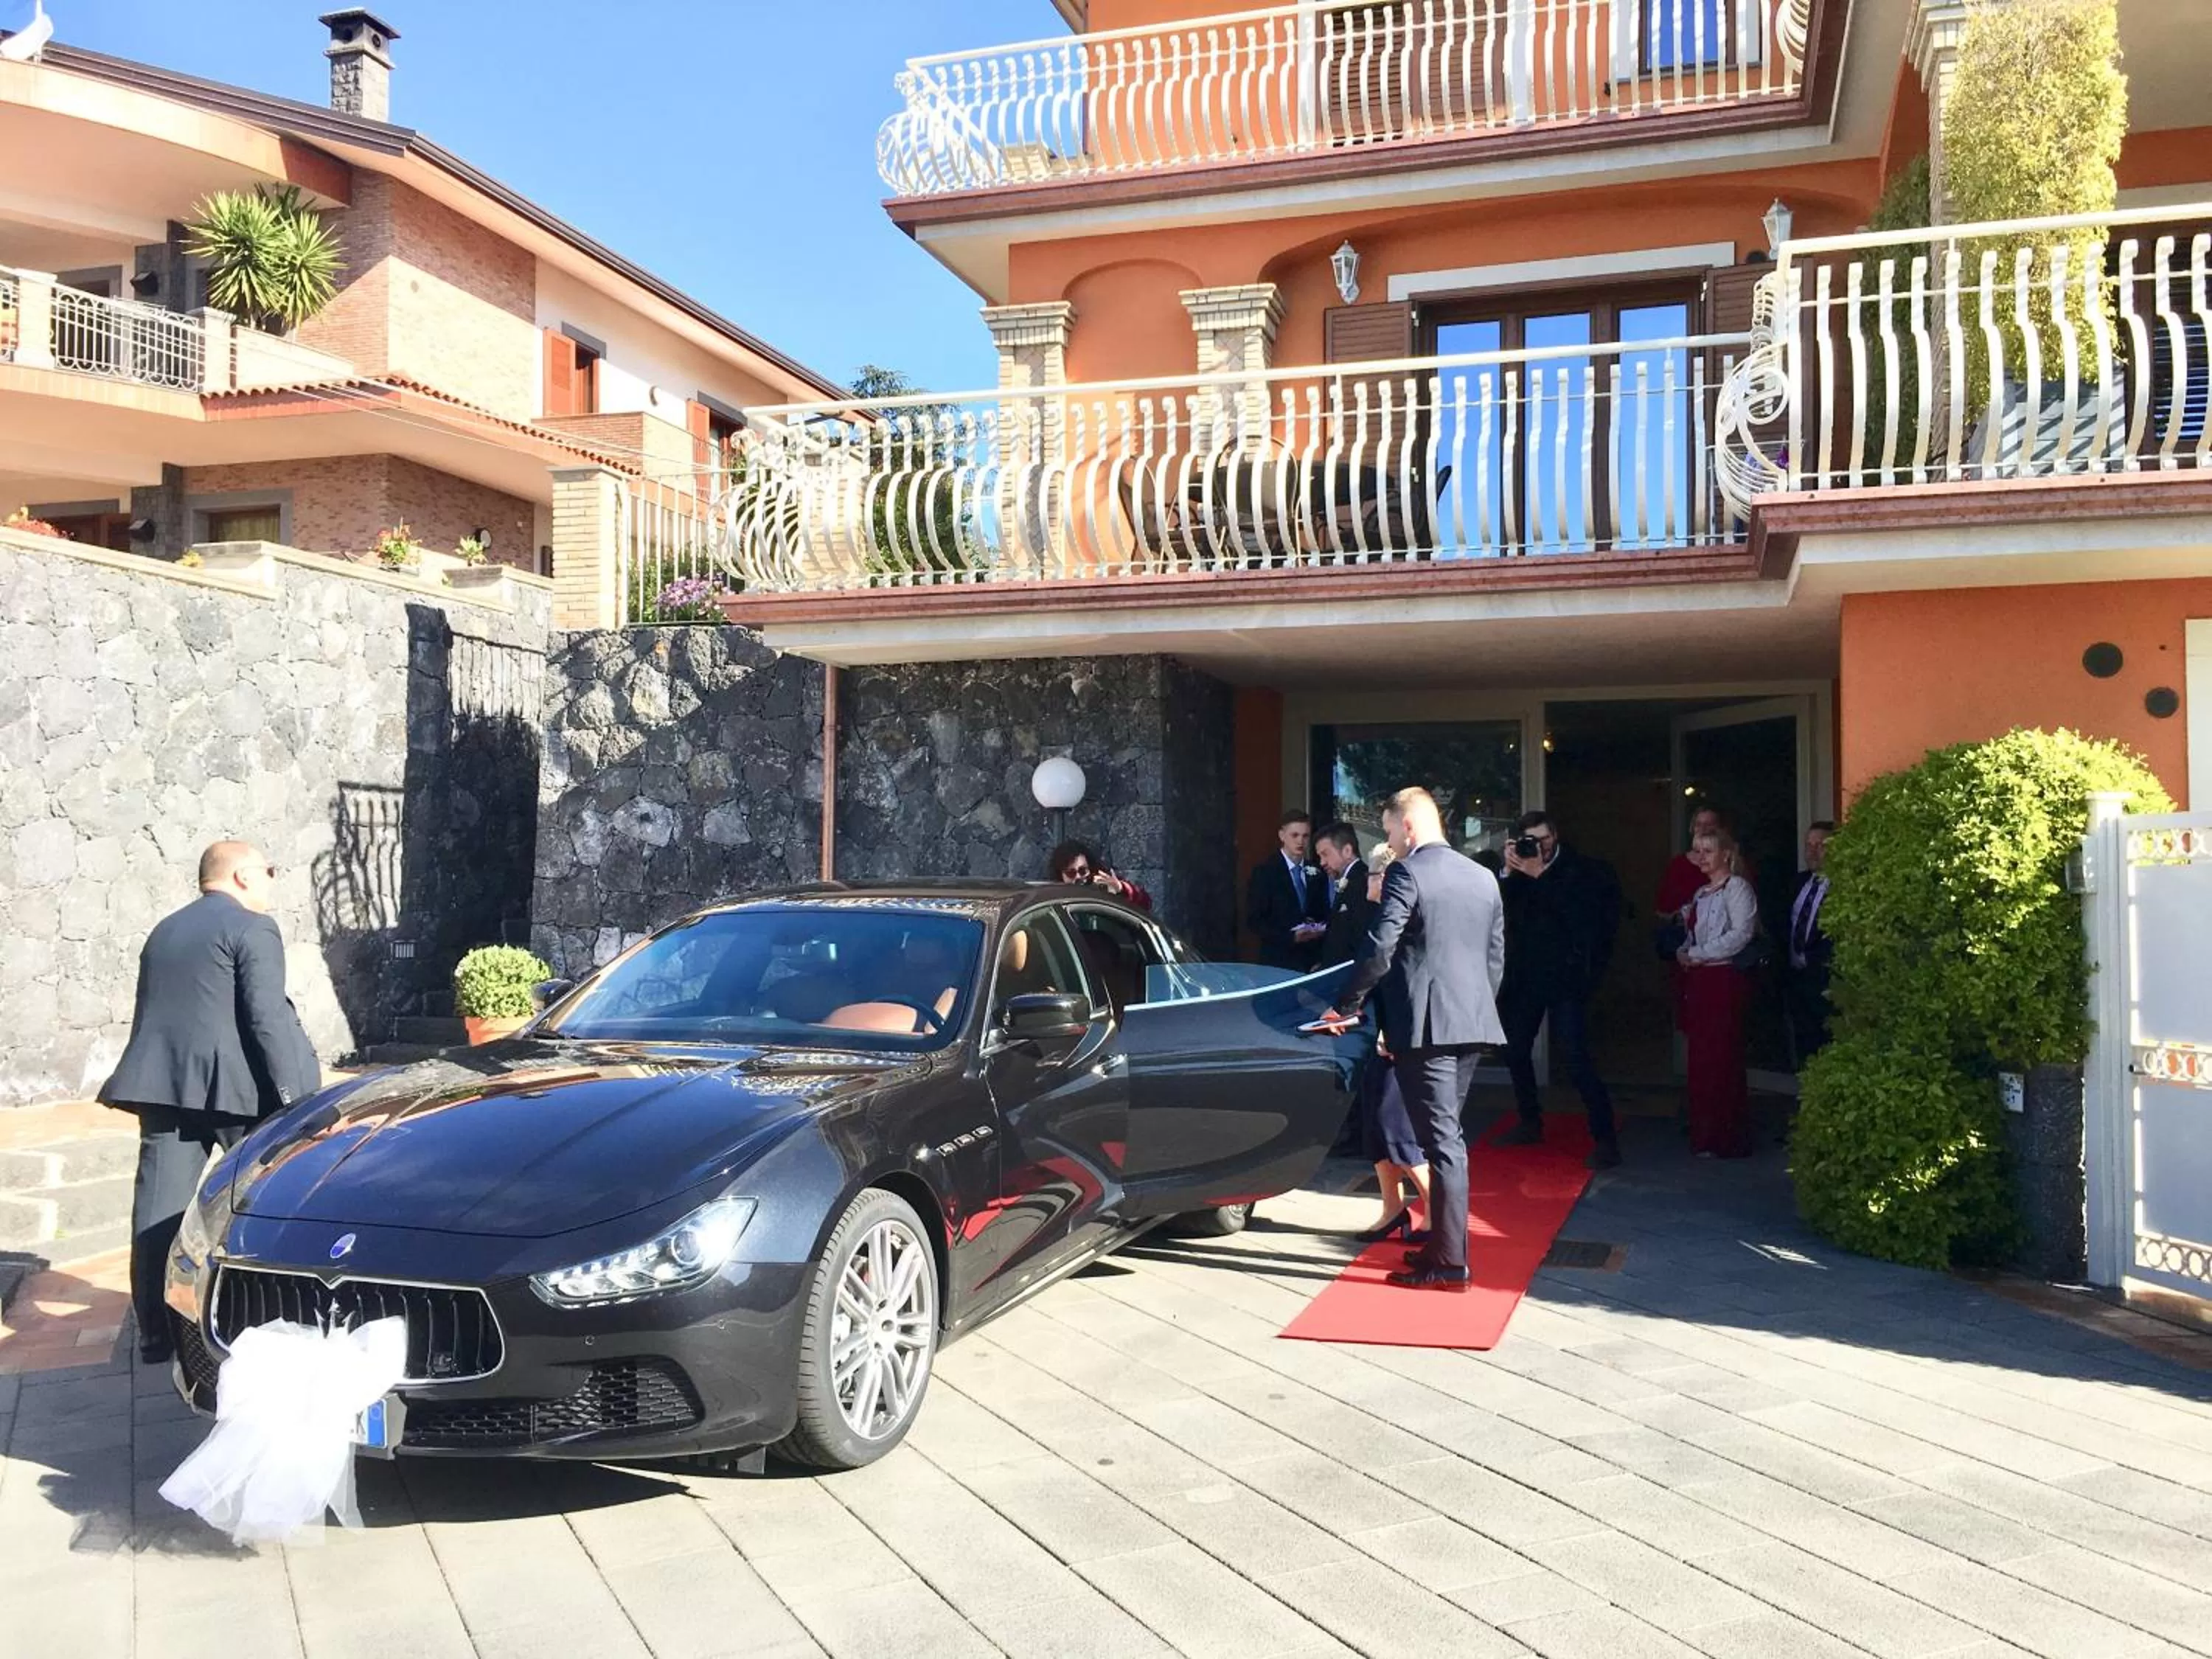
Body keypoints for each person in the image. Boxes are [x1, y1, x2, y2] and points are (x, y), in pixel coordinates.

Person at [100, 841, 321, 1364]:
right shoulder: (252, 927)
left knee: (159, 1210)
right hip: (236, 1094)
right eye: (269, 870)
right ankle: (272, 1317)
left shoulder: (166, 930)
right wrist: (300, 1102)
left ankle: (154, 1332)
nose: (271, 879)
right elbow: (266, 1017)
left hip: (164, 1090)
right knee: (271, 1202)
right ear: (242, 876)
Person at [1316, 788, 1506, 1291]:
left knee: (1442, 1145)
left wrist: (1347, 1005)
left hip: (1426, 1028)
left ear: (1409, 827)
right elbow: (1495, 956)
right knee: (1445, 1140)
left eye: (1390, 831)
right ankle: (1443, 1246)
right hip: (1470, 1024)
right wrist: (1475, 1008)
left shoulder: (1408, 873)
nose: (1391, 844)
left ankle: (1449, 1263)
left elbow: (1381, 947)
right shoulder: (1482, 876)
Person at [1495, 810, 1625, 1169]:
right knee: (1515, 1048)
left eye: (1544, 839)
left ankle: (1605, 1138)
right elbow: (1506, 916)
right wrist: (1510, 874)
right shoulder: (1520, 872)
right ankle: (1529, 1121)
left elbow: (1581, 922)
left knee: (1575, 1055)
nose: (1538, 846)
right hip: (1528, 977)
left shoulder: (1583, 871)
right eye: (1530, 840)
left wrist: (1541, 876)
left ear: (1556, 835)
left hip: (1568, 979)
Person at [1674, 826, 1759, 1158]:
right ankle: (1703, 1133)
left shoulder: (1736, 888)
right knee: (1701, 1060)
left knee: (1723, 1058)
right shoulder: (1701, 894)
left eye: (1708, 851)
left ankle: (1727, 1136)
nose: (1702, 858)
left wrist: (1698, 954)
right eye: (1697, 851)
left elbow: (1741, 935)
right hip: (1699, 981)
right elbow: (1694, 936)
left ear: (1726, 853)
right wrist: (1685, 949)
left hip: (1723, 981)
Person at [1246, 810, 1327, 970]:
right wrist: (1290, 937)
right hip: (1278, 960)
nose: (1300, 841)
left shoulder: (1317, 871)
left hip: (1311, 959)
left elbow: (1322, 911)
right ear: (1282, 836)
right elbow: (1255, 920)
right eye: (1295, 835)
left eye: (1305, 836)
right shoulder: (1265, 872)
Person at [1784, 821, 1836, 1065]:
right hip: (1796, 979)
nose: (1813, 851)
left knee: (1827, 1044)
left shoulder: (1844, 887)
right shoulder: (1797, 883)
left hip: (1826, 983)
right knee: (1803, 1043)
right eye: (1809, 845)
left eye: (1821, 845)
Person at [1312, 821, 1373, 968]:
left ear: (1347, 850)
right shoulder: (1351, 880)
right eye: (1320, 856)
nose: (1322, 862)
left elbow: (1360, 940)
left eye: (1325, 854)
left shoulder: (1362, 883)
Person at [1048, 840, 1152, 911]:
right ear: (1061, 875)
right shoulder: (1052, 898)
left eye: (1083, 871)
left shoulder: (1103, 886)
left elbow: (1146, 903)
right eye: (1071, 873)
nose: (1078, 877)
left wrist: (1121, 888)